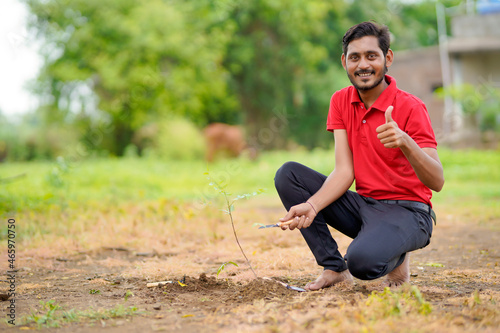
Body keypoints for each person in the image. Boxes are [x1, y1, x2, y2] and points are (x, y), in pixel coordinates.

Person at [274, 21, 444, 291]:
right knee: (289, 174)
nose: (363, 65)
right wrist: (314, 205)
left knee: (363, 263)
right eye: (355, 57)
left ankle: (396, 258)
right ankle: (334, 268)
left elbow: (437, 180)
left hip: (409, 213)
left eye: (371, 56)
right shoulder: (341, 101)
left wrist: (406, 142)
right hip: (365, 207)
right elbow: (344, 171)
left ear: (387, 58)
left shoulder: (411, 107)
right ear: (344, 61)